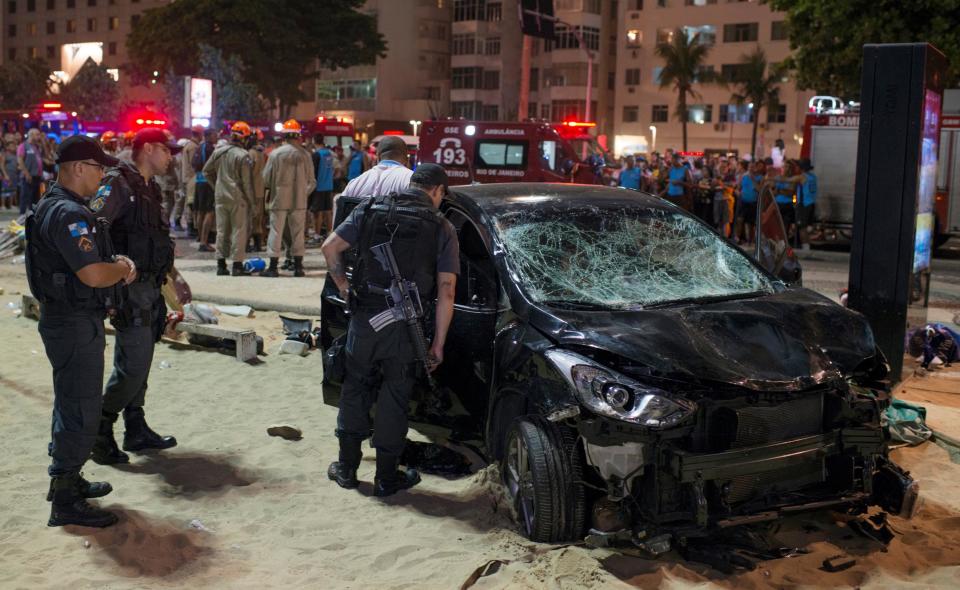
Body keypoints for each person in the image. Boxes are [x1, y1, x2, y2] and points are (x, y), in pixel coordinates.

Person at [322, 163, 459, 496]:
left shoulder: (370, 208)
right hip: (403, 329)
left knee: (355, 388)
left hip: (365, 321)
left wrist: (343, 286)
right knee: (395, 398)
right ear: (438, 191)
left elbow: (330, 248)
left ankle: (347, 468)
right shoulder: (441, 227)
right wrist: (438, 343)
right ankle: (386, 477)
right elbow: (446, 291)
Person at [25, 135, 136, 527]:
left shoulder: (54, 206)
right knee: (80, 406)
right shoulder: (69, 214)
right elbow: (91, 274)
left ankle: (67, 479)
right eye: (98, 168)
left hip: (66, 319)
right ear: (77, 168)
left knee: (71, 400)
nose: (103, 176)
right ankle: (66, 500)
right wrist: (122, 268)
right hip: (72, 322)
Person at [89, 128, 182, 466]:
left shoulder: (149, 187)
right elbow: (94, 223)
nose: (171, 156)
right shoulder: (118, 183)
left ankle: (135, 427)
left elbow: (157, 239)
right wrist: (113, 267)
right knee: (133, 365)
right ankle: (100, 430)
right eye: (166, 150)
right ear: (147, 149)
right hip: (129, 290)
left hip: (151, 287)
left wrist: (174, 278)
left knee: (140, 364)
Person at [261, 119, 316, 277]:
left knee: (276, 232)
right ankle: (298, 267)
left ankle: (273, 267)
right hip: (299, 201)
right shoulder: (305, 155)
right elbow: (312, 182)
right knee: (298, 233)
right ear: (298, 136)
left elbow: (265, 179)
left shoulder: (275, 154)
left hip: (279, 199)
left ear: (283, 136)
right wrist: (302, 193)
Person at [203, 121, 256, 276]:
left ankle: (221, 265)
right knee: (239, 231)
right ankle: (237, 265)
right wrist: (252, 202)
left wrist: (217, 185)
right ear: (244, 138)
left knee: (221, 231)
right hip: (237, 197)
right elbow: (246, 183)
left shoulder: (218, 152)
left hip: (220, 196)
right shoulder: (243, 155)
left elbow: (206, 171)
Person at [338, 136, 414, 211]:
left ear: (378, 157)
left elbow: (340, 218)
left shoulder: (355, 183)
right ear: (407, 159)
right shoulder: (413, 181)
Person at [193, 128, 219, 252]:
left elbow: (193, 164)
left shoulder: (199, 147)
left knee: (200, 211)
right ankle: (204, 241)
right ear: (209, 136)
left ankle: (201, 238)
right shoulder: (210, 148)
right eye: (215, 135)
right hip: (207, 183)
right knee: (209, 212)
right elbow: (212, 167)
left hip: (198, 181)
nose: (217, 137)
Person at [176, 125, 204, 232]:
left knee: (189, 201)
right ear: (200, 134)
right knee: (191, 202)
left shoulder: (189, 145)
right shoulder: (193, 147)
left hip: (187, 178)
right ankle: (191, 225)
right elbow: (194, 164)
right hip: (191, 178)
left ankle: (190, 224)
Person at [310, 138, 336, 242]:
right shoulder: (329, 153)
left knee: (317, 212)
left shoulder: (317, 154)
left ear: (314, 141)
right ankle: (330, 232)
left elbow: (313, 171)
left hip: (319, 186)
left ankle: (317, 235)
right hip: (328, 185)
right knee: (328, 211)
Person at [17, 128, 44, 216]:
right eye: (37, 134)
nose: (39, 137)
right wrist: (27, 174)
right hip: (28, 176)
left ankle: (33, 215)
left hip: (37, 176)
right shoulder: (23, 146)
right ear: (31, 135)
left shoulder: (37, 146)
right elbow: (20, 161)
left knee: (35, 198)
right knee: (25, 197)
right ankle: (22, 215)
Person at [248, 129, 267, 252]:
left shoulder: (250, 154)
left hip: (251, 190)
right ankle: (258, 244)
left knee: (249, 218)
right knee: (258, 218)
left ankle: (246, 243)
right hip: (260, 189)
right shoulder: (260, 153)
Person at [797, 158, 818, 247]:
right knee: (806, 227)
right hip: (811, 203)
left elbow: (789, 180)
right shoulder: (813, 177)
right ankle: (807, 247)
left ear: (801, 168)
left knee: (802, 228)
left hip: (804, 204)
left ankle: (805, 248)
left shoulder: (802, 176)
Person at [1, 139, 17, 209]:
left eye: (14, 146)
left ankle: (11, 205)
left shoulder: (15, 155)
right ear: (7, 147)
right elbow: (1, 165)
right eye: (11, 146)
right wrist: (5, 175)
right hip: (6, 175)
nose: (13, 147)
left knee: (12, 190)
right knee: (4, 190)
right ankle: (3, 205)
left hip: (14, 175)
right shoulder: (5, 155)